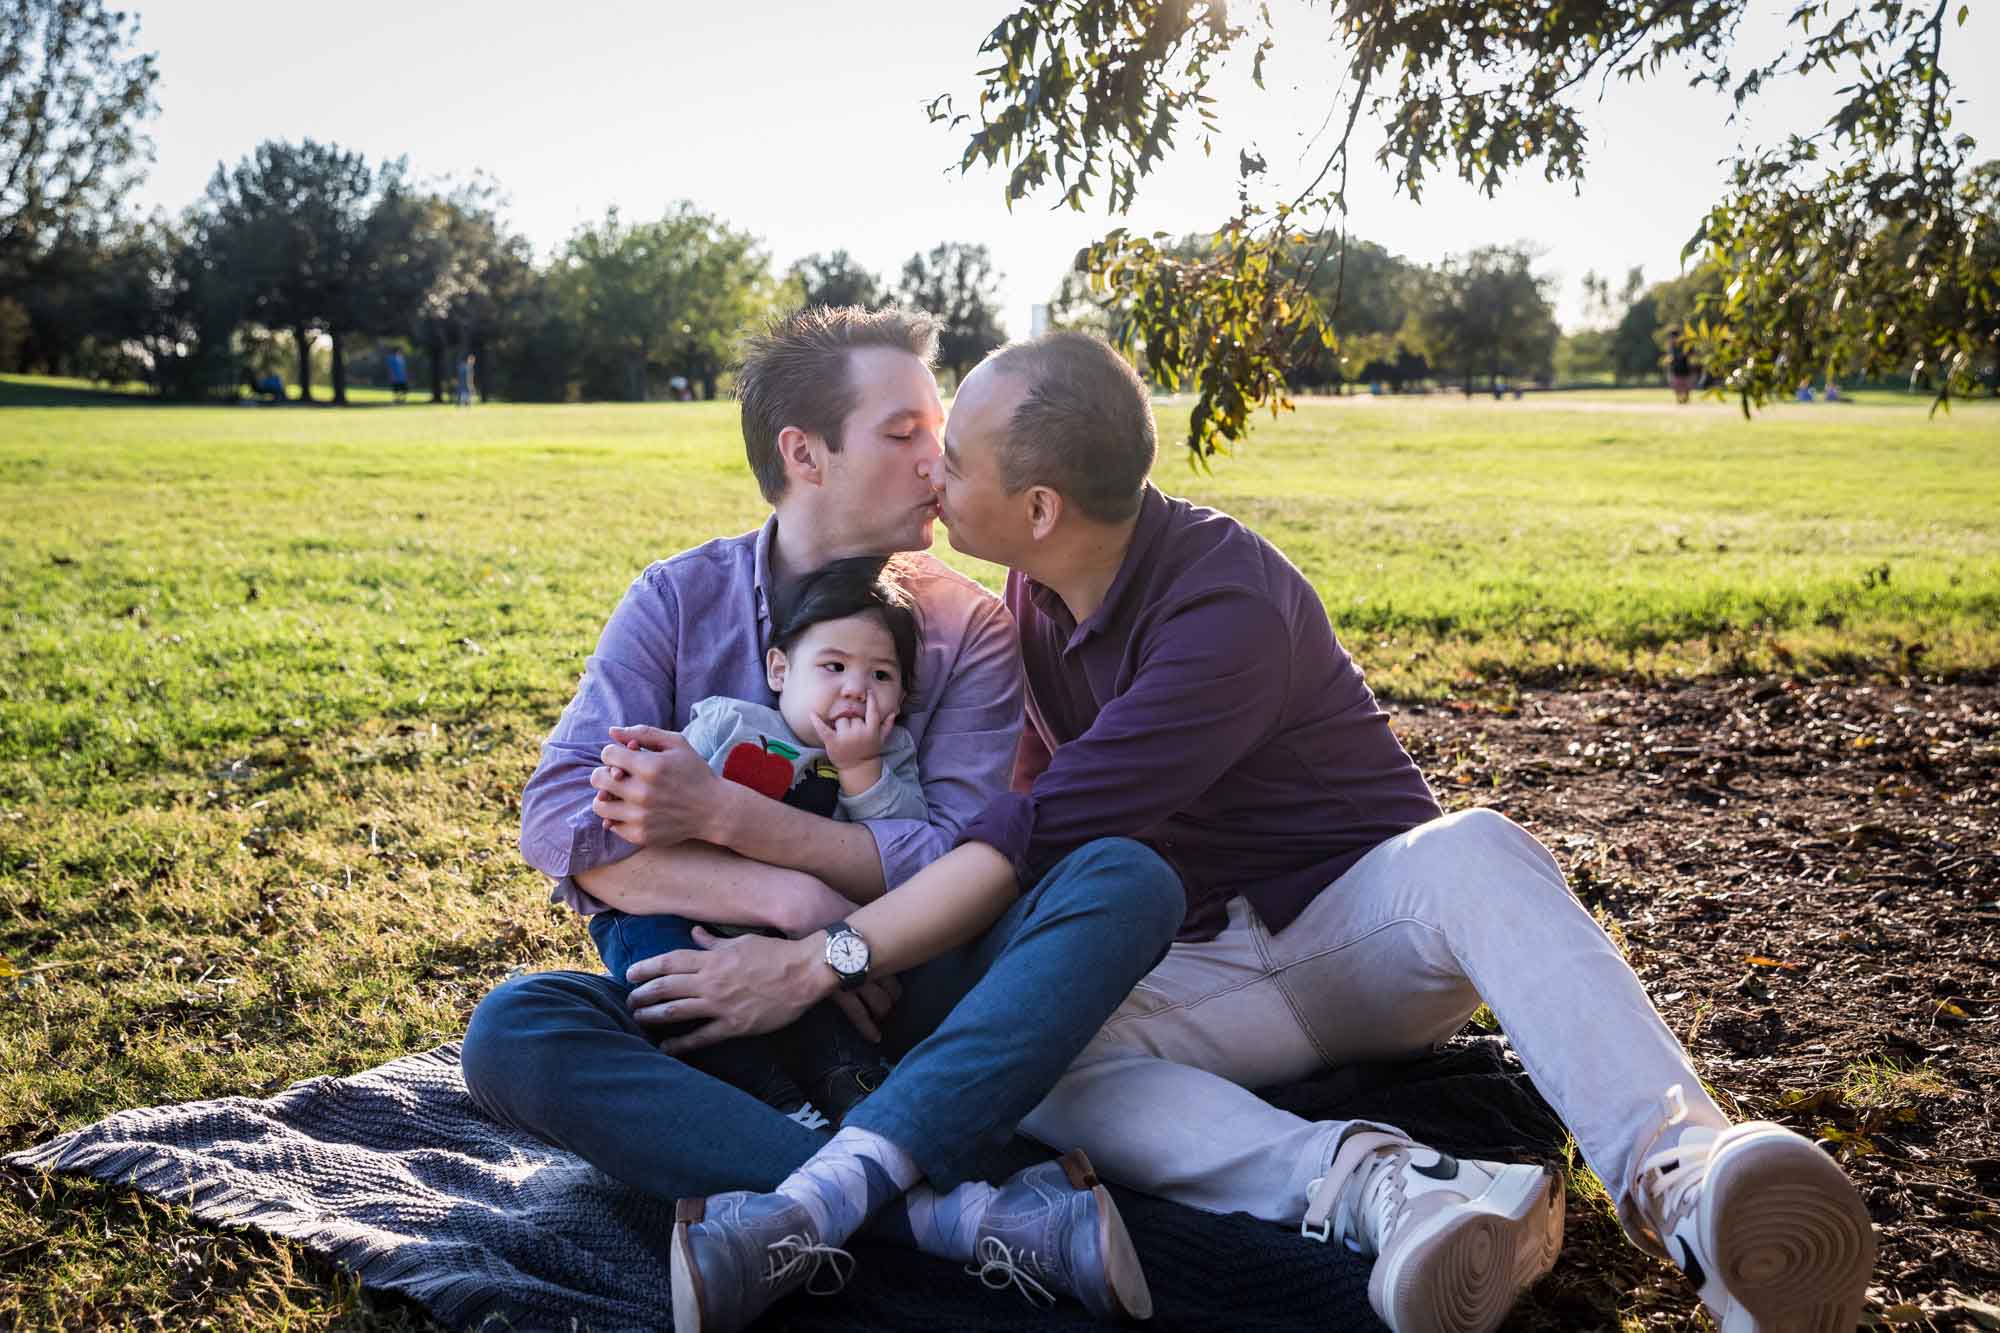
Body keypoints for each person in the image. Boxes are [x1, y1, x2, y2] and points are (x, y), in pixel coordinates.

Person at [872, 329, 1873, 1333]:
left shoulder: (1225, 603)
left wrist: (831, 946)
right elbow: (1033, 801)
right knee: (1028, 1050)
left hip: (1358, 939)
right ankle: (1389, 1189)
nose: (933, 470)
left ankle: (1687, 1184)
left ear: (1040, 509)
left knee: (1471, 846)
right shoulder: (1034, 595)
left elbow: (1039, 825)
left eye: (953, 456)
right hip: (1199, 970)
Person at [460, 307, 1184, 1331]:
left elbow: (954, 857)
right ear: (803, 452)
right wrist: (785, 895)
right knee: (514, 1030)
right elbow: (560, 821)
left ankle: (806, 1200)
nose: (939, 458)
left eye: (936, 429)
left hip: (909, 991)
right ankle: (953, 1210)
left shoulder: (965, 625)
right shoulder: (675, 601)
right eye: (902, 433)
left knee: (1126, 877)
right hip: (709, 996)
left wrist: (732, 831)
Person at [588, 554, 927, 1126]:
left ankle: (855, 1090)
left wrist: (860, 771)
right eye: (834, 666)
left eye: (881, 676)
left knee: (829, 1014)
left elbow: (904, 845)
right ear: (779, 670)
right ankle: (770, 1104)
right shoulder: (728, 724)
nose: (855, 690)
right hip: (687, 908)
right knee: (670, 979)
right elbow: (651, 813)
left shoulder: (889, 759)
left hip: (796, 945)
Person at [1668, 331, 1696, 404]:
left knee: (1686, 385)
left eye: (1672, 337)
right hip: (1676, 369)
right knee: (1676, 385)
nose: (1671, 339)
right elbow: (1671, 357)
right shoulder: (1672, 347)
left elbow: (1690, 353)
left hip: (1685, 368)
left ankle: (1686, 399)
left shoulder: (1683, 345)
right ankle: (1679, 399)